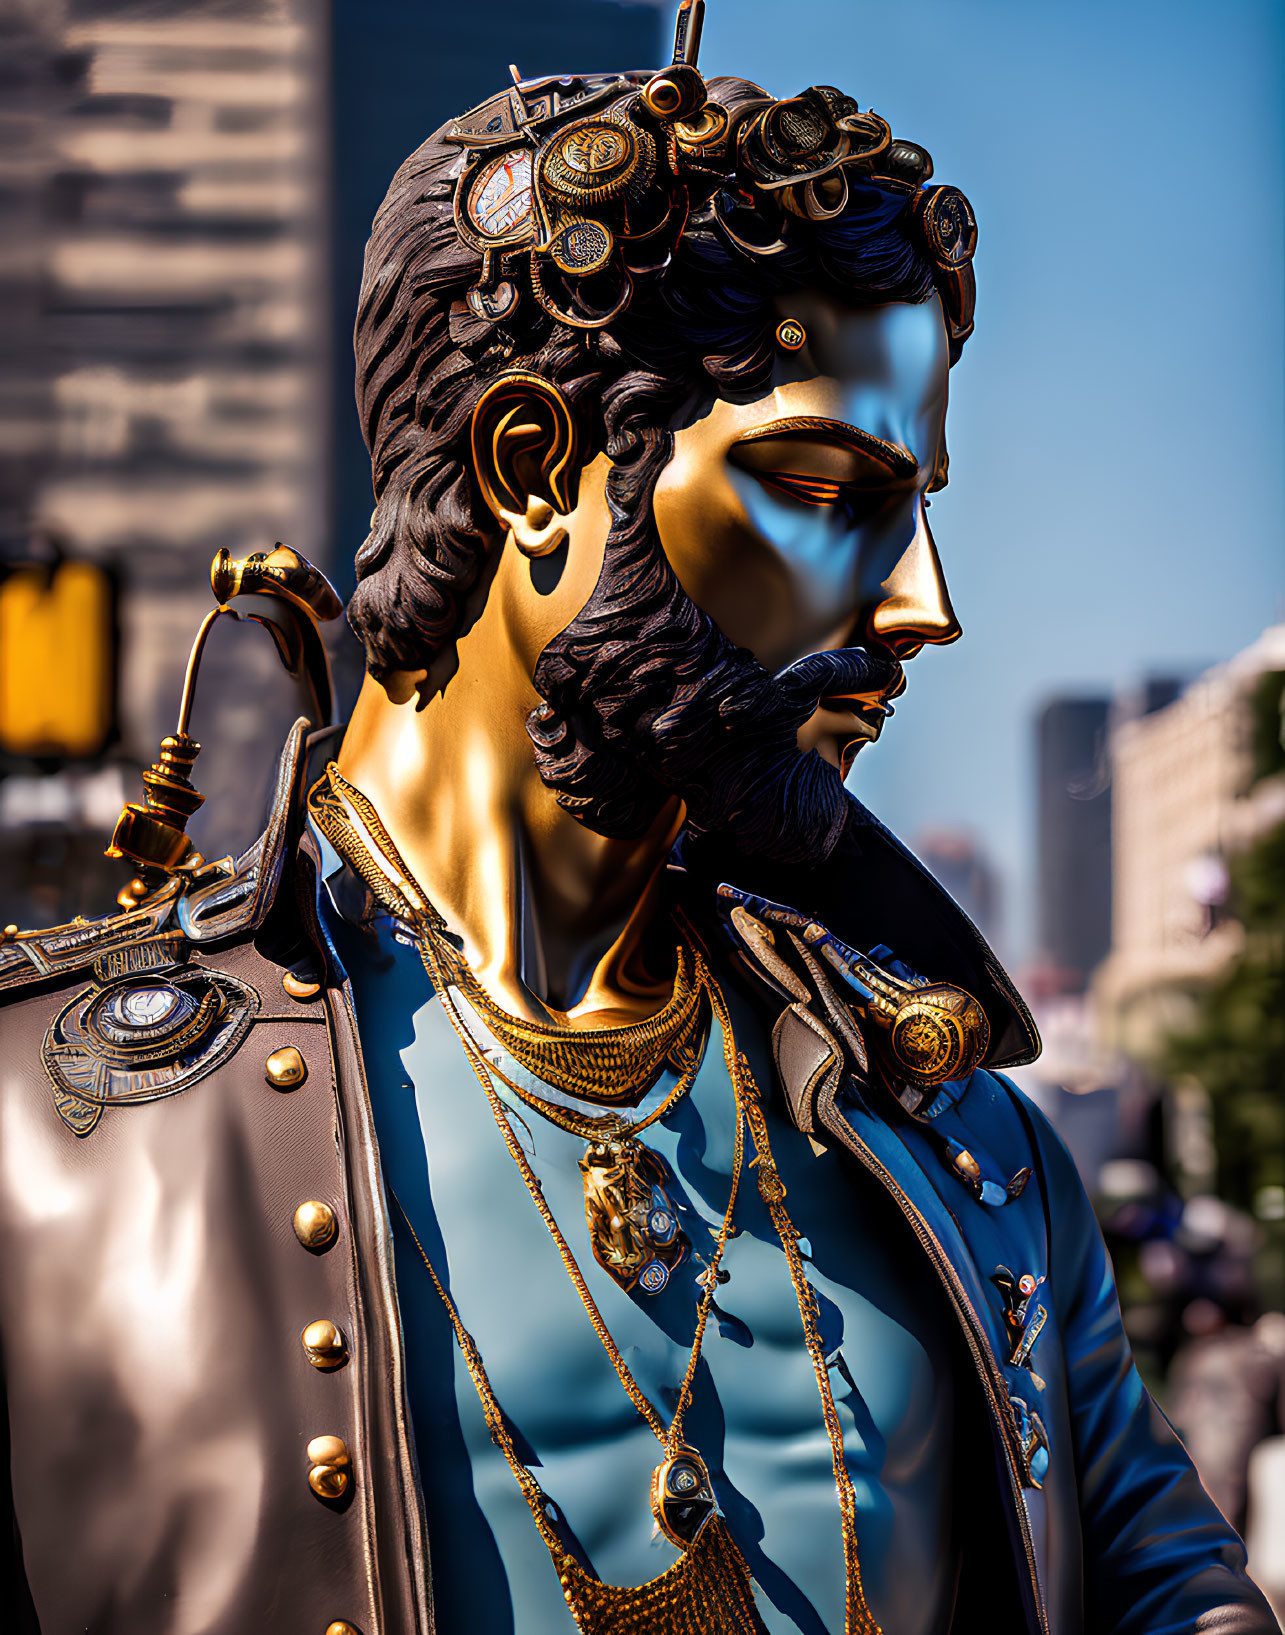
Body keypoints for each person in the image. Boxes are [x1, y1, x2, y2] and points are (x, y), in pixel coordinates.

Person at [0, 12, 1276, 1634]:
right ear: (533, 468)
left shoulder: (967, 1150)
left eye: (920, 509)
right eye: (825, 487)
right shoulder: (39, 1133)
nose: (920, 610)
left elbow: (1174, 1595)